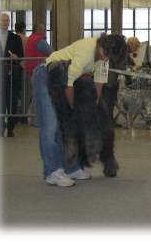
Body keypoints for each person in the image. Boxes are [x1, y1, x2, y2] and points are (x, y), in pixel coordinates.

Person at [32, 34, 126, 187]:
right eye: (107, 55)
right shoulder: (86, 51)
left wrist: (94, 108)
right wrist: (71, 109)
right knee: (52, 126)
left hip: (66, 79)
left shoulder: (103, 57)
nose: (107, 60)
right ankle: (52, 171)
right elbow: (69, 85)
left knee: (73, 126)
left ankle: (71, 168)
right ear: (103, 47)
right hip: (47, 77)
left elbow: (99, 83)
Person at [0, 13, 24, 137]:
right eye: (3, 20)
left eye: (7, 20)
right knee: (0, 101)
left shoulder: (16, 38)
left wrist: (17, 57)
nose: (5, 23)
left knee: (12, 100)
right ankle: (1, 128)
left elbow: (21, 55)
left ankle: (11, 128)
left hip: (13, 74)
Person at [25, 23, 53, 127]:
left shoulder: (31, 38)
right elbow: (51, 51)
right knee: (40, 95)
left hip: (32, 70)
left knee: (35, 94)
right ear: (39, 30)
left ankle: (32, 119)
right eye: (43, 29)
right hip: (39, 70)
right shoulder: (39, 40)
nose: (45, 31)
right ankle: (37, 120)